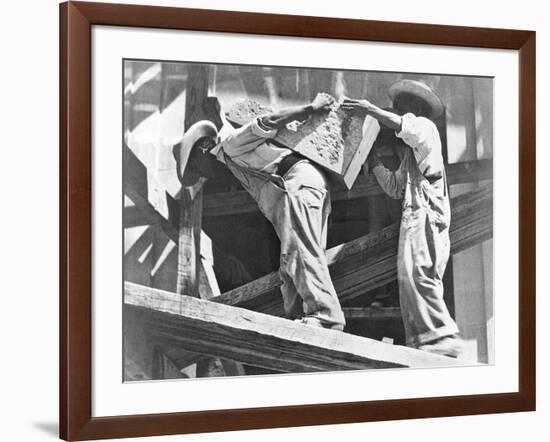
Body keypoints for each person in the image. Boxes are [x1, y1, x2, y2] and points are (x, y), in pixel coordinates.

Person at [174, 94, 346, 331]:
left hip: (297, 184)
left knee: (301, 251)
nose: (201, 174)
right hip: (299, 189)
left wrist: (311, 107)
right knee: (290, 262)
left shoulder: (231, 145)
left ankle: (325, 316)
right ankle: (300, 320)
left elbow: (271, 120)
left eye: (195, 167)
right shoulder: (231, 163)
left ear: (203, 148)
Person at [341, 80, 464, 357]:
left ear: (416, 106)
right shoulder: (412, 153)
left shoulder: (425, 128)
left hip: (425, 212)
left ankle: (441, 334)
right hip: (414, 212)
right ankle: (425, 340)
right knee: (409, 278)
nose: (398, 109)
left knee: (420, 274)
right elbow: (396, 187)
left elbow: (404, 125)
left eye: (403, 104)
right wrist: (374, 163)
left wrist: (371, 110)